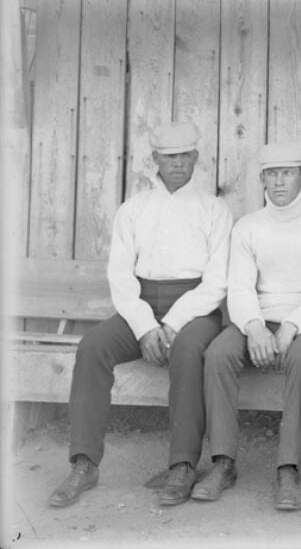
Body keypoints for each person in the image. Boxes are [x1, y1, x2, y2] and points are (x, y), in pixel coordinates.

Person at [48, 121, 232, 508]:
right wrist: (147, 326)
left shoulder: (214, 209)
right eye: (169, 157)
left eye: (185, 155)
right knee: (93, 346)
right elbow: (120, 274)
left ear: (196, 158)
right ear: (156, 161)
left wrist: (172, 323)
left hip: (195, 310)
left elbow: (217, 282)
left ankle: (181, 464)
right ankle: (84, 461)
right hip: (142, 308)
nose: (178, 164)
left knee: (185, 350)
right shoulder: (133, 209)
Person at [195, 142, 301, 509]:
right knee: (217, 354)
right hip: (258, 318)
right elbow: (240, 286)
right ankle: (223, 462)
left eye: (288, 173)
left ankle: (287, 469)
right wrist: (255, 327)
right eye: (272, 174)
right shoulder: (248, 227)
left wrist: (291, 326)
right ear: (262, 178)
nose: (279, 182)